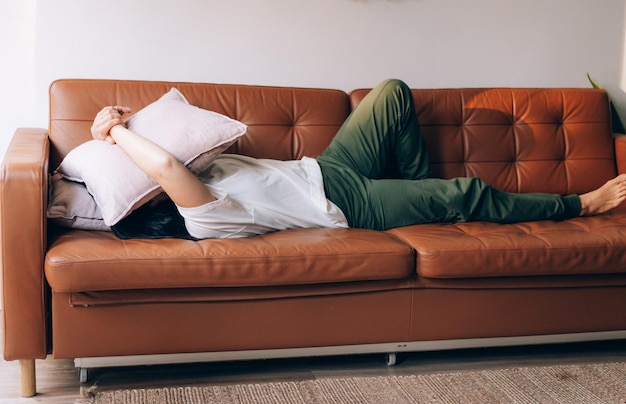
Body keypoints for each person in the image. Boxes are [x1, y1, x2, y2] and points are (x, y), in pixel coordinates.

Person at [91, 79, 626, 240]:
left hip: (327, 167)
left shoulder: (201, 169)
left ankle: (422, 200)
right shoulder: (202, 215)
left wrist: (110, 127)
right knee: (468, 192)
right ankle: (579, 204)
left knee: (390, 92)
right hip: (348, 203)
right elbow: (161, 167)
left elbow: (166, 151)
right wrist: (113, 130)